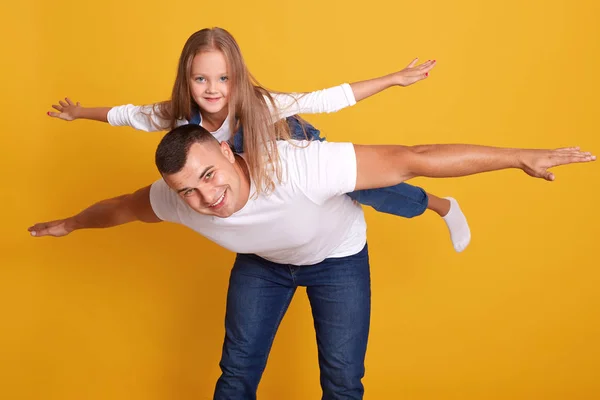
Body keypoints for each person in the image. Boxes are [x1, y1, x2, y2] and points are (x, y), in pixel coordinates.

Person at [28, 124, 595, 399]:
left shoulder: (299, 165)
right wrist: (72, 223)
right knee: (236, 373)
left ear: (229, 152)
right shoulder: (178, 200)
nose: (205, 197)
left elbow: (413, 157)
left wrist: (517, 156)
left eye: (209, 175)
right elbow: (124, 207)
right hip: (264, 264)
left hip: (337, 259)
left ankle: (440, 209)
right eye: (187, 190)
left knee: (343, 381)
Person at [47, 27, 472, 252]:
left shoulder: (262, 105)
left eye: (223, 78)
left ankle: (439, 205)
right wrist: (78, 112)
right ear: (187, 79)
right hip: (245, 179)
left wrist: (394, 79)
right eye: (201, 79)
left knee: (367, 190)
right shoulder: (173, 112)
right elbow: (124, 115)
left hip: (291, 144)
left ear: (237, 76)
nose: (213, 90)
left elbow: (326, 99)